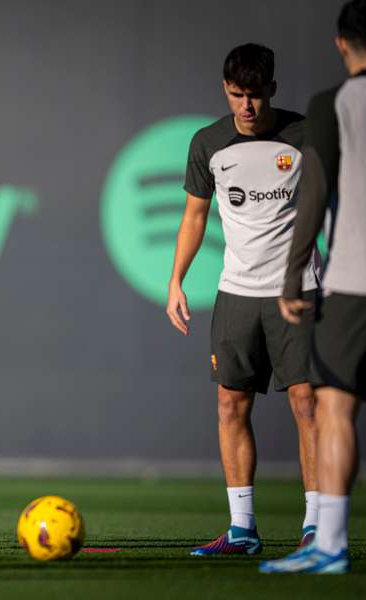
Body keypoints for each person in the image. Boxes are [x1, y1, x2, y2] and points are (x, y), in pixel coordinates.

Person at [165, 43, 320, 555]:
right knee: (231, 404)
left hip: (298, 293)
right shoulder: (207, 142)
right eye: (236, 95)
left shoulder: (305, 136)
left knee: (308, 405)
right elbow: (193, 217)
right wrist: (176, 281)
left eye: (254, 95)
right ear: (226, 92)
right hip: (236, 294)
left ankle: (317, 528)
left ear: (272, 89)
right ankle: (242, 529)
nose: (246, 106)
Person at [260, 0, 366, 575]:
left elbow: (314, 194)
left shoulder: (334, 103)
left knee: (336, 408)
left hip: (354, 282)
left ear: (340, 43)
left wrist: (293, 273)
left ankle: (329, 546)